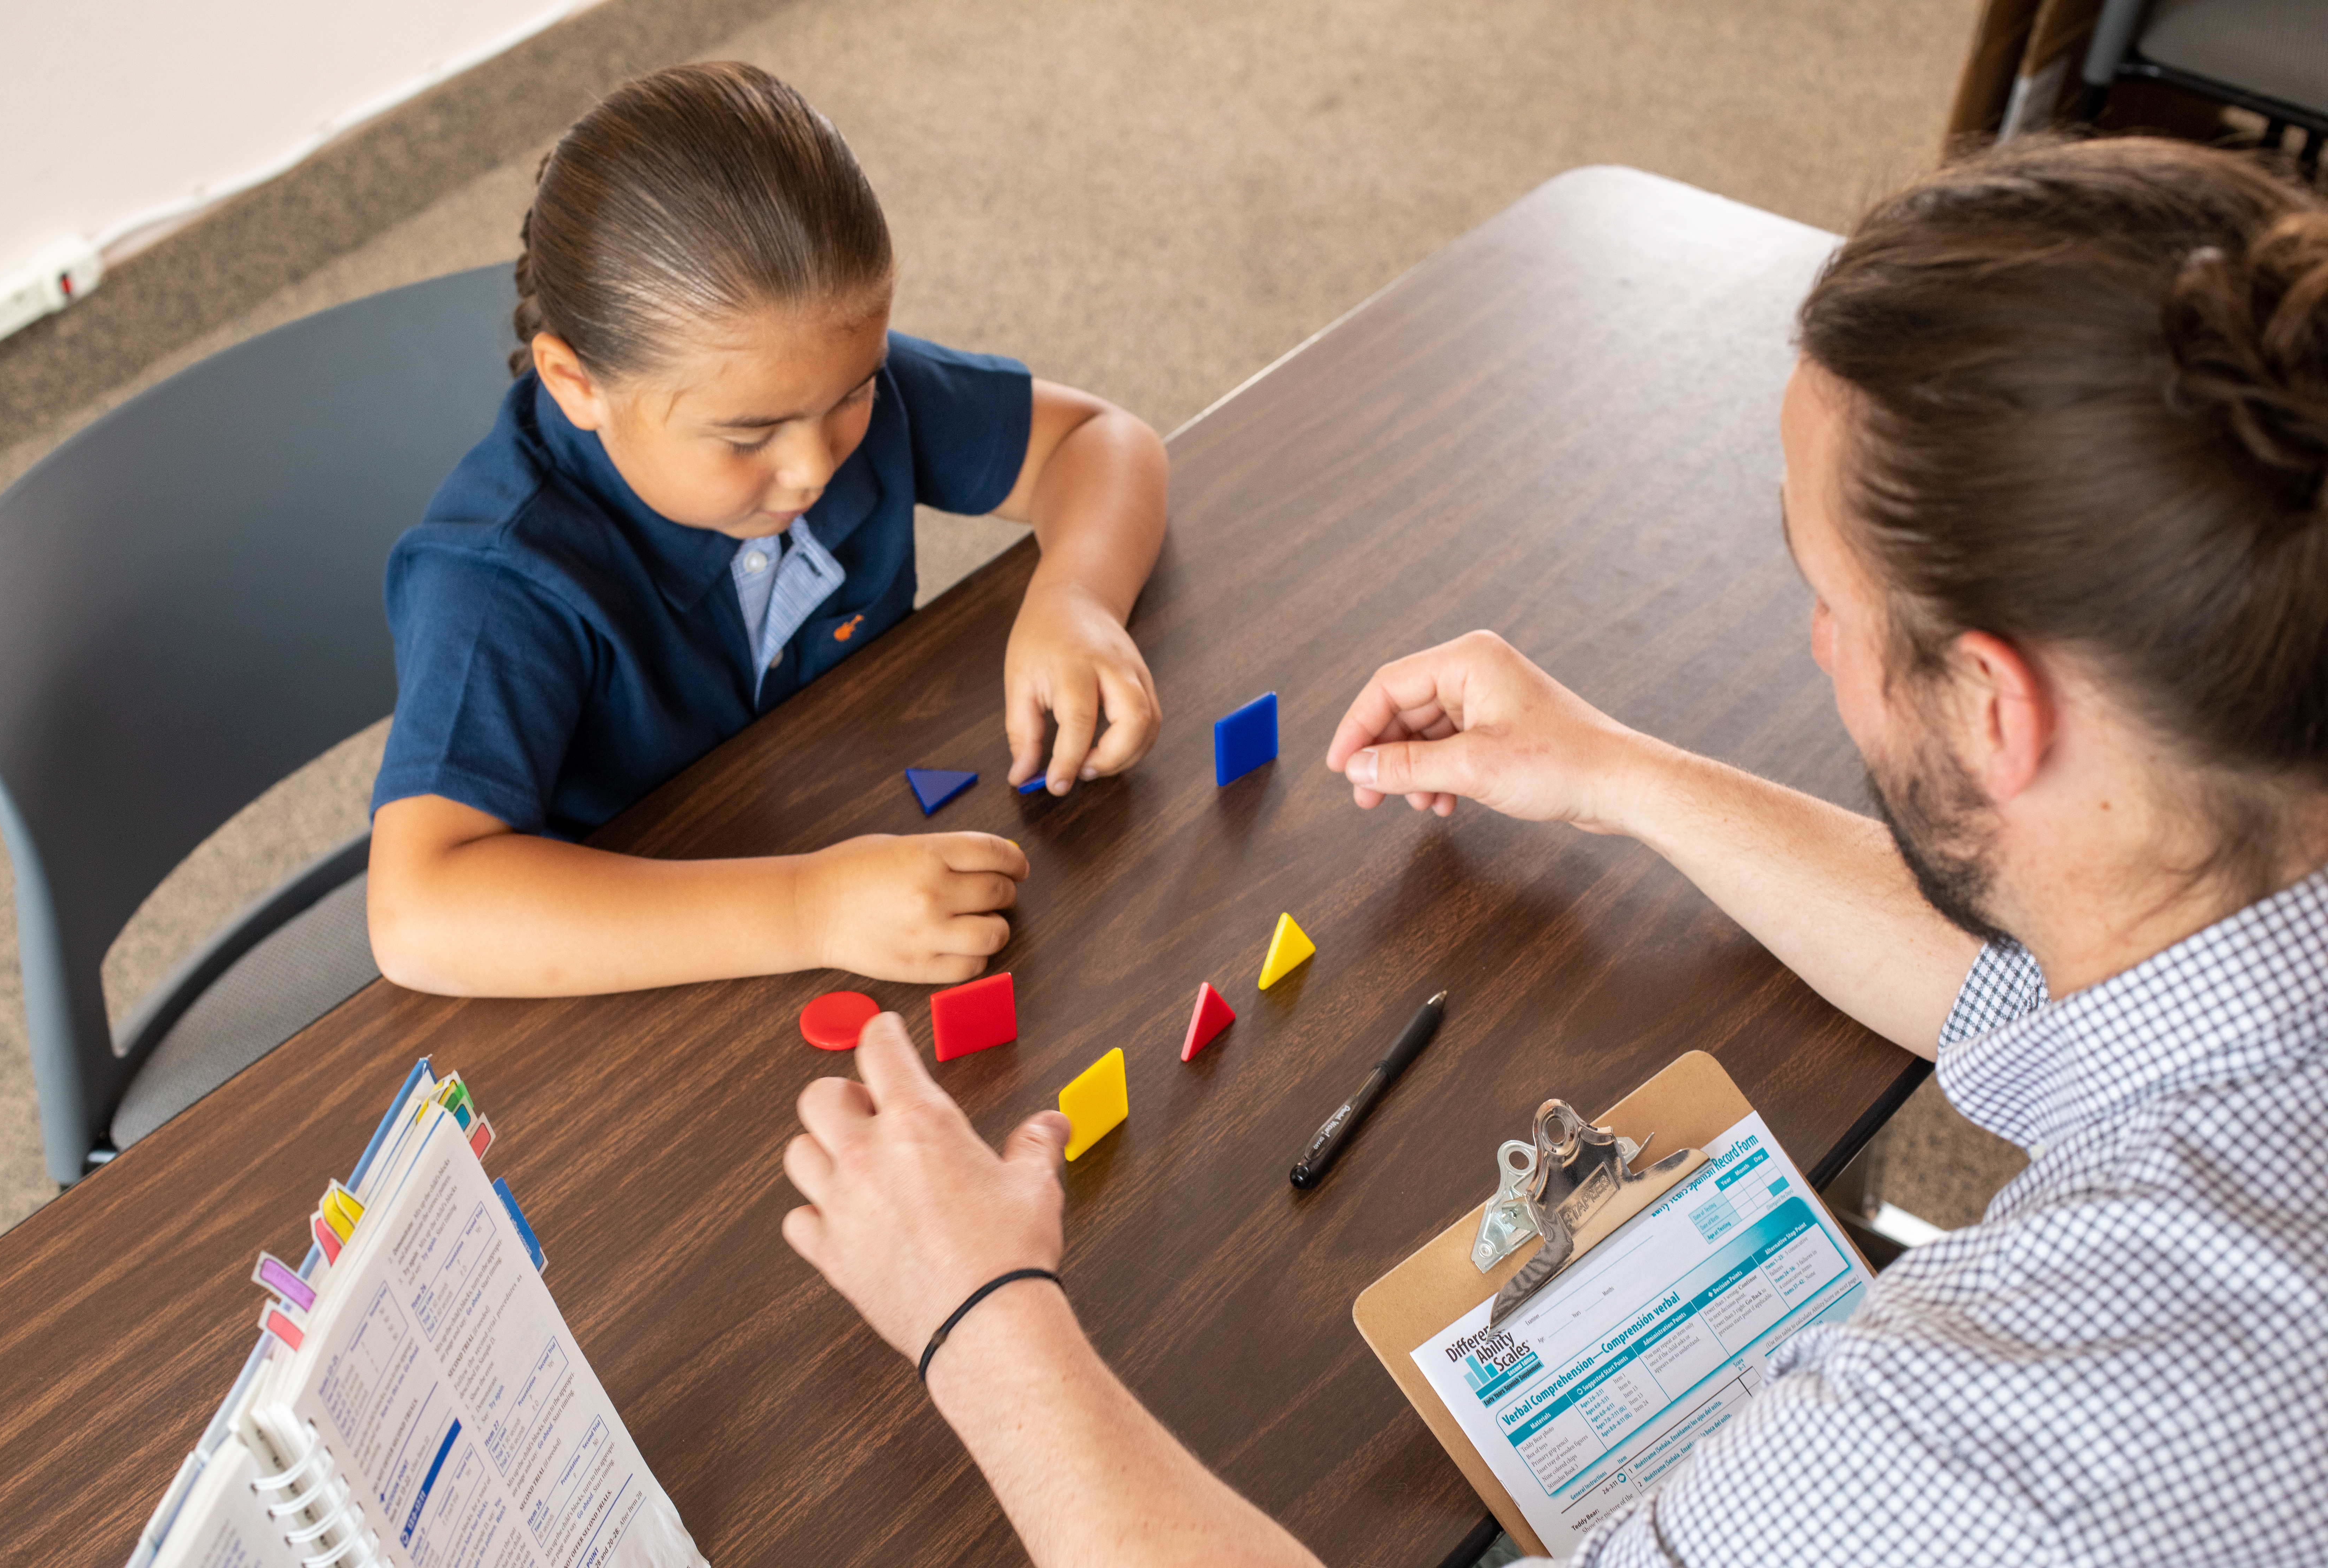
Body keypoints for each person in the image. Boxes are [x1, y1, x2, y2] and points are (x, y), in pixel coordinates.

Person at [781, 134, 2328, 1566]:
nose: (1814, 643)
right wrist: (1613, 776)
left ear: (1997, 706)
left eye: (1826, 596)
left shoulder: (2007, 1433)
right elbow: (2046, 1007)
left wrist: (980, 1315)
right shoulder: (2236, 897)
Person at [366, 63, 1168, 997]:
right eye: (748, 436)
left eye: (855, 393)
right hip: (638, 972)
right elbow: (418, 915)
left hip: (831, 832)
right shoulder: (497, 580)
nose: (815, 466)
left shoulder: (804, 385)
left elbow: (1101, 440)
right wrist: (808, 908)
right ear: (577, 384)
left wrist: (1075, 597)